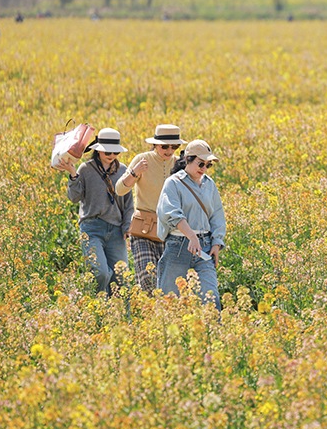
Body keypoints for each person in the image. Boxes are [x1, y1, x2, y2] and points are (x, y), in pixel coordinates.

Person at [59, 128, 134, 295]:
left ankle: (123, 316)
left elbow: (129, 203)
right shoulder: (86, 169)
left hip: (116, 229)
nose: (111, 154)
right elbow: (74, 198)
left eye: (115, 151)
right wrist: (72, 174)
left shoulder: (123, 171)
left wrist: (127, 226)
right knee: (101, 273)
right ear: (97, 149)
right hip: (91, 228)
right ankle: (100, 305)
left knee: (121, 278)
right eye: (107, 150)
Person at [115, 124, 187, 292]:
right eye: (164, 146)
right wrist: (135, 172)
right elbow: (120, 189)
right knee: (148, 278)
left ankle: (161, 316)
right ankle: (148, 313)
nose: (169, 150)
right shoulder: (142, 159)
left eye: (174, 146)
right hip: (144, 230)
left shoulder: (180, 164)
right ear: (155, 144)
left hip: (171, 232)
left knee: (169, 284)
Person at [156, 140, 226, 310]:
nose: (204, 168)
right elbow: (170, 213)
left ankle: (212, 336)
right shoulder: (173, 183)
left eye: (208, 165)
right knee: (170, 302)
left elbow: (217, 214)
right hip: (178, 246)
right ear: (188, 159)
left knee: (211, 299)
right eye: (200, 163)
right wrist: (191, 236)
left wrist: (216, 243)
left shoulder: (209, 184)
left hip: (205, 246)